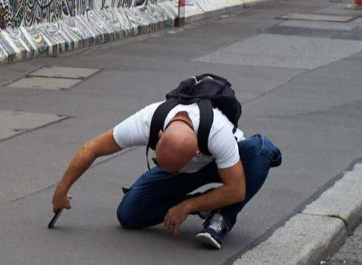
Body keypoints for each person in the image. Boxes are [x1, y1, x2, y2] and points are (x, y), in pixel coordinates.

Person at [50, 79, 282, 250]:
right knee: (129, 215)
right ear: (159, 136)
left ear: (198, 151)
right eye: (157, 160)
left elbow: (237, 189)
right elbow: (91, 148)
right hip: (183, 167)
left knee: (261, 151)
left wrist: (187, 206)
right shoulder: (149, 119)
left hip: (218, 165)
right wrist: (62, 189)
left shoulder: (217, 132)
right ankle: (208, 202)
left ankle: (222, 217)